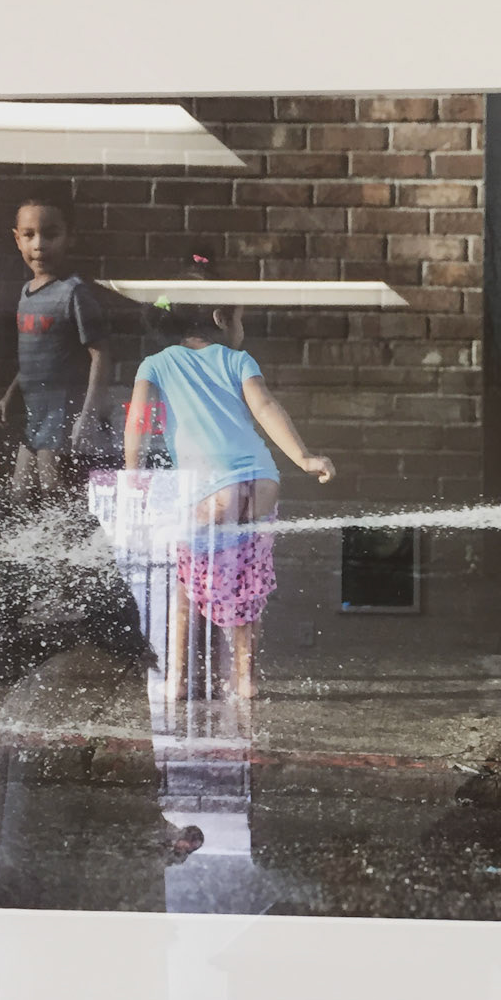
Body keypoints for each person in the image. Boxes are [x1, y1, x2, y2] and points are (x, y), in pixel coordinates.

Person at [124, 281, 335, 703]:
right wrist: (304, 458)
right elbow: (266, 408)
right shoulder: (238, 360)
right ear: (221, 319)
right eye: (239, 318)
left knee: (186, 585)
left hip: (207, 491)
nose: (242, 327)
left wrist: (133, 474)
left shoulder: (156, 363)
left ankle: (177, 680)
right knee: (246, 586)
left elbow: (138, 422)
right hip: (260, 482)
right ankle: (245, 680)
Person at [0, 193, 109, 494]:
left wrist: (87, 414)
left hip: (61, 415)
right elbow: (35, 358)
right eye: (29, 235)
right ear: (17, 240)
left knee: (52, 489)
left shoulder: (73, 293)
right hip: (34, 415)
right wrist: (9, 397)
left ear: (70, 237)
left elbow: (100, 355)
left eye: (51, 234)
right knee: (19, 493)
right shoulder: (26, 293)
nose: (39, 245)